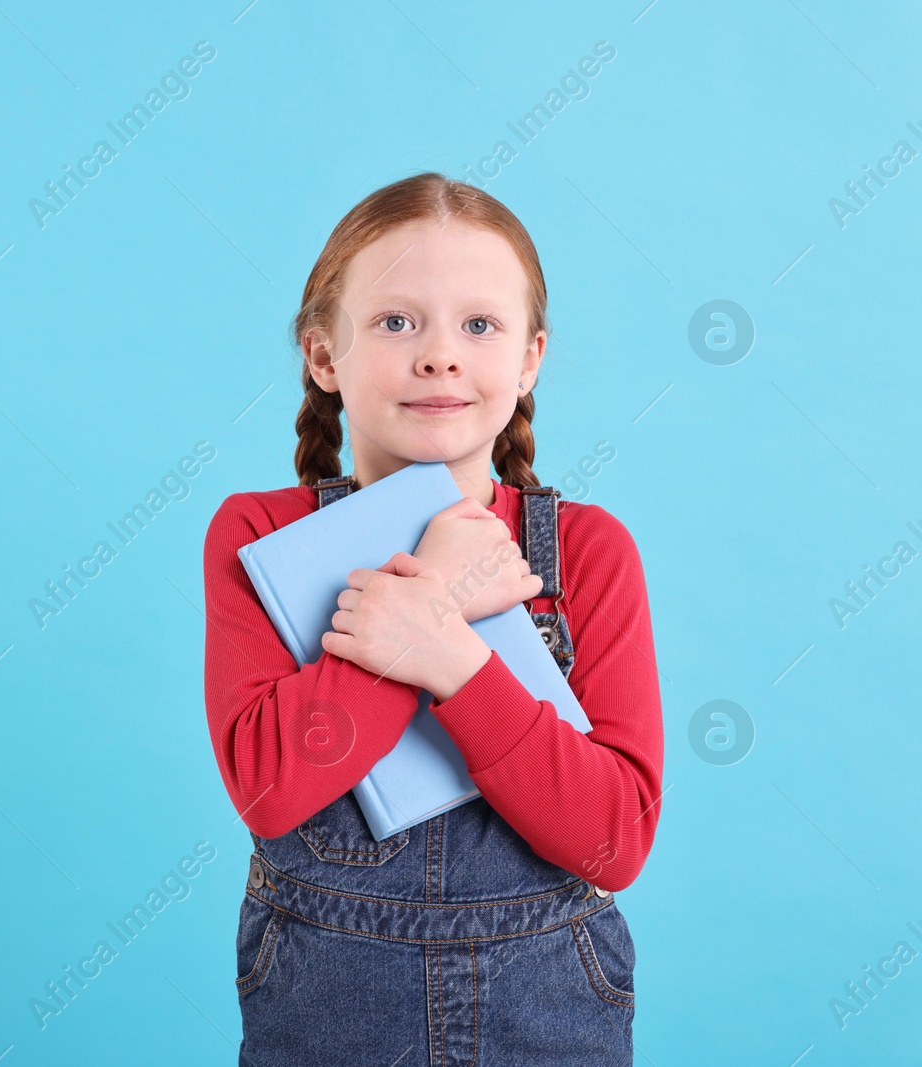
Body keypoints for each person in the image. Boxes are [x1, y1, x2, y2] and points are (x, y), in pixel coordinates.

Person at [201, 171, 663, 1065]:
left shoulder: (589, 552)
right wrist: (436, 594)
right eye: (396, 321)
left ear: (529, 359)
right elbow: (269, 786)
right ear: (323, 356)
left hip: (551, 1010)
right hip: (325, 1011)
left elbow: (612, 839)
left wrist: (451, 655)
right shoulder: (258, 535)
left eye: (479, 325)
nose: (440, 355)